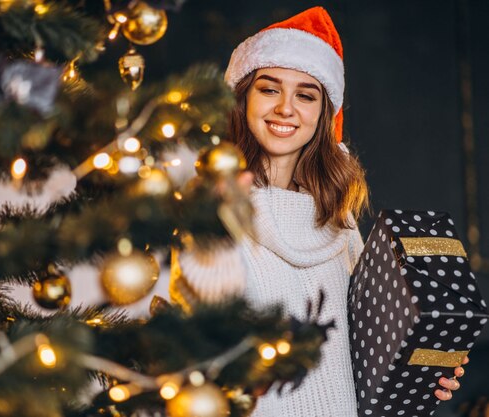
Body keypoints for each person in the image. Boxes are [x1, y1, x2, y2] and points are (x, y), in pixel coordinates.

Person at [176, 6, 468, 416]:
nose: (285, 108)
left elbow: (361, 349)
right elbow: (199, 339)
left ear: (323, 113)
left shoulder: (339, 221)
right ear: (242, 98)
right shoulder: (209, 204)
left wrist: (421, 370)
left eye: (305, 95)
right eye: (269, 88)